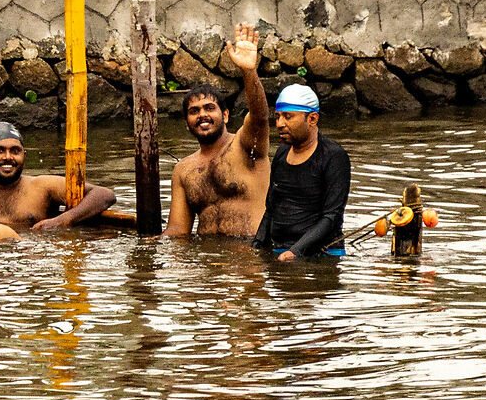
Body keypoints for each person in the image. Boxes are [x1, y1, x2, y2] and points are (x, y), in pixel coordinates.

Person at [169, 21, 272, 237]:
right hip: (207, 262)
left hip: (249, 259)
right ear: (187, 124)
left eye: (209, 108)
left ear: (225, 115)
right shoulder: (183, 170)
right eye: (194, 111)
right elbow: (178, 231)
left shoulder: (245, 146)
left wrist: (248, 71)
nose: (202, 115)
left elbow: (261, 117)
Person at [250, 85, 351, 261]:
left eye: (288, 117)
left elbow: (331, 216)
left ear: (312, 118)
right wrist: (256, 246)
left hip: (321, 256)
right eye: (278, 117)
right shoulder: (282, 153)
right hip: (281, 252)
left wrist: (295, 252)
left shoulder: (333, 156)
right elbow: (271, 209)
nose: (280, 124)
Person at [372, 184, 439, 260]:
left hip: (403, 254)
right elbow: (381, 230)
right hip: (409, 254)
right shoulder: (417, 214)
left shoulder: (418, 215)